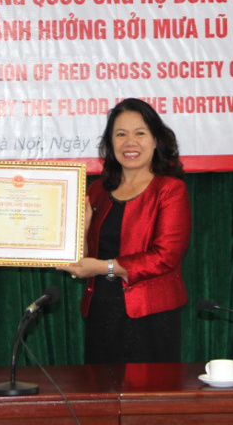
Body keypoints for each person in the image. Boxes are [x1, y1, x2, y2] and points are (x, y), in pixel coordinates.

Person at [59, 98, 192, 363]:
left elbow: (164, 257)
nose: (130, 142)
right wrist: (82, 228)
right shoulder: (97, 191)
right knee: (101, 396)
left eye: (140, 133)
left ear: (156, 140)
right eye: (120, 134)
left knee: (147, 401)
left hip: (151, 317)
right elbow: (84, 256)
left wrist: (101, 268)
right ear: (110, 143)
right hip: (101, 311)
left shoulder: (170, 190)